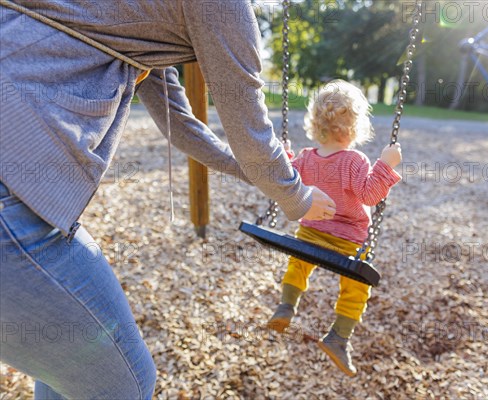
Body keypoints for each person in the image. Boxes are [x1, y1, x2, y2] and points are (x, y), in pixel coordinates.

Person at [0, 1, 335, 398]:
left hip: (17, 186)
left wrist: (250, 171)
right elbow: (250, 128)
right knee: (126, 384)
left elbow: (178, 122)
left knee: (69, 368)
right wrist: (295, 195)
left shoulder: (138, 20)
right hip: (13, 192)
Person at [266, 80, 402, 377]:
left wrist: (287, 158)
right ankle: (338, 338)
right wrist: (386, 165)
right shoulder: (355, 161)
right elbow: (369, 195)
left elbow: (290, 182)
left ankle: (286, 306)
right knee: (356, 285)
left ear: (316, 124)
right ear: (355, 127)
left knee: (298, 264)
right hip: (349, 241)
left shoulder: (306, 158)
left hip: (311, 232)